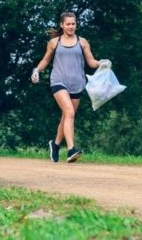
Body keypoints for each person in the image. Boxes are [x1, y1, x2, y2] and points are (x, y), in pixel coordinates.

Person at [30, 12, 109, 163]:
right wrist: (36, 71)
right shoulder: (54, 42)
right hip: (58, 81)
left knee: (67, 116)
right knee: (69, 112)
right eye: (68, 24)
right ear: (62, 25)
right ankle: (71, 150)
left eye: (73, 23)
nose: (71, 26)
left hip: (77, 83)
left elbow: (91, 62)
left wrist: (102, 63)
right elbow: (45, 60)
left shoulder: (82, 42)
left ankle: (55, 144)